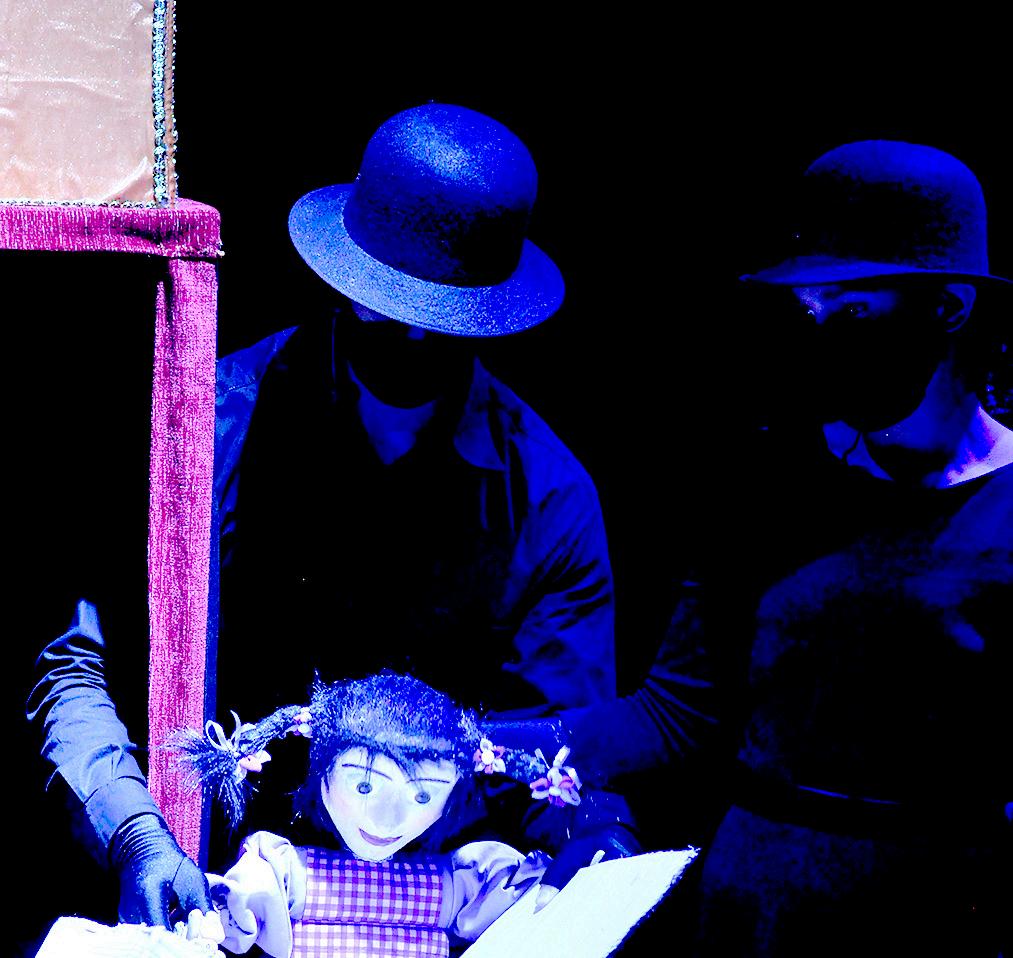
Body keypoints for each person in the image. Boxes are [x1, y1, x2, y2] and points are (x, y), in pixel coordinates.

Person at [28, 102, 632, 936]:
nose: (410, 337)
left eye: (439, 323)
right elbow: (77, 659)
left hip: (418, 912)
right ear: (342, 283)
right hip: (208, 891)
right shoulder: (200, 433)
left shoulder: (549, 499)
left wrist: (587, 844)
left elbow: (556, 752)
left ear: (487, 315)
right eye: (387, 309)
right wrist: (133, 834)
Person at [557, 140, 1012, 955]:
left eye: (852, 310)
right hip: (752, 910)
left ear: (948, 307)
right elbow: (670, 717)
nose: (822, 336)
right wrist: (463, 741)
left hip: (938, 915)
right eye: (808, 311)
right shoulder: (764, 484)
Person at [172, 672, 563, 956]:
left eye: (423, 795)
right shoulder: (289, 874)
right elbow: (247, 899)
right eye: (364, 786)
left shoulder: (457, 883)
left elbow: (517, 904)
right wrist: (221, 911)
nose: (387, 820)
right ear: (322, 773)